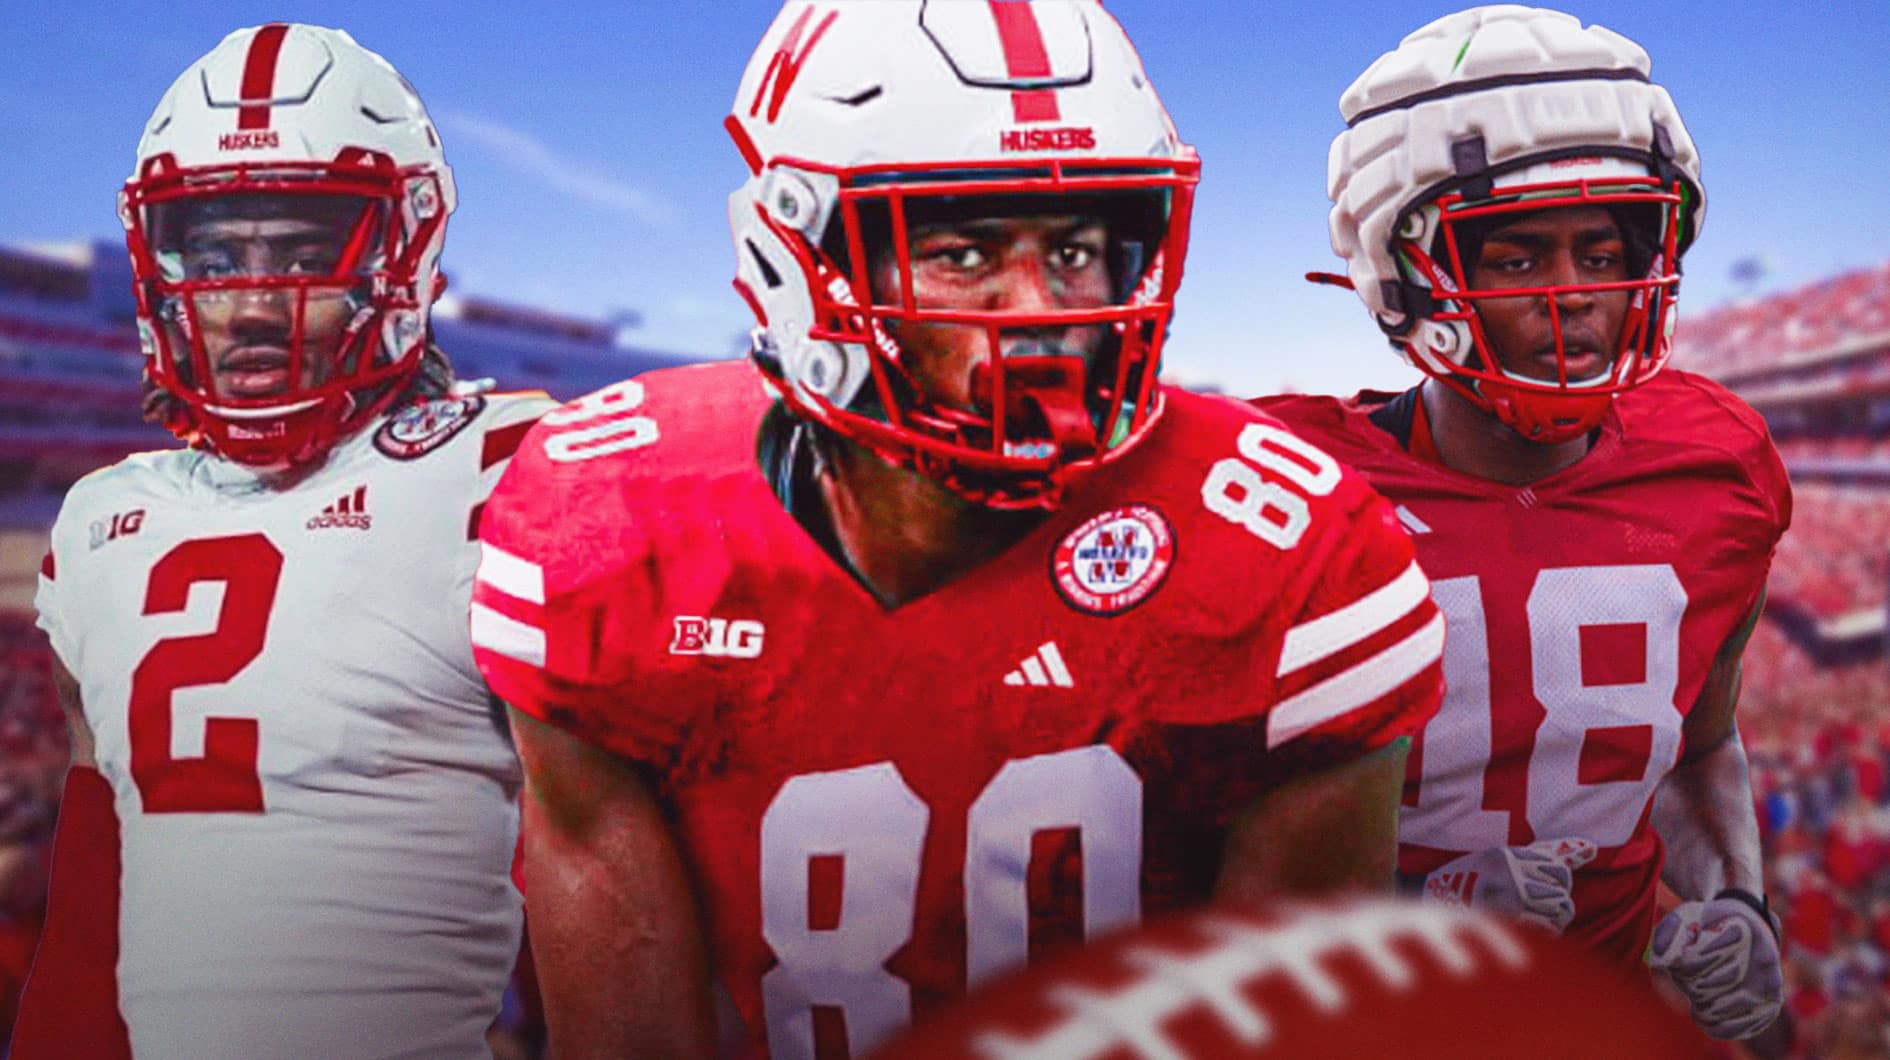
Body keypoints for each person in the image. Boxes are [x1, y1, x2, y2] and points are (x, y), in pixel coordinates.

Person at [471, 2, 1446, 1057]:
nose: (1039, 310)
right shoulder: (616, 531)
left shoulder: (1294, 552)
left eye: (1076, 248)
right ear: (802, 259)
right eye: (961, 250)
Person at [1256, 4, 1790, 1041]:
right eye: (1515, 259)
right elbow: (1171, 833)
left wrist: (1737, 900)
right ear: (1404, 272)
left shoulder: (1717, 460)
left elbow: (1699, 745)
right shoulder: (1287, 491)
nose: (1576, 297)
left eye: (1602, 251)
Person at [16, 23, 550, 1057]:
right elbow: (95, 895)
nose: (254, 302)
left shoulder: (508, 467)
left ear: (404, 250)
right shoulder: (97, 521)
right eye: (215, 255)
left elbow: (614, 865)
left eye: (307, 253)